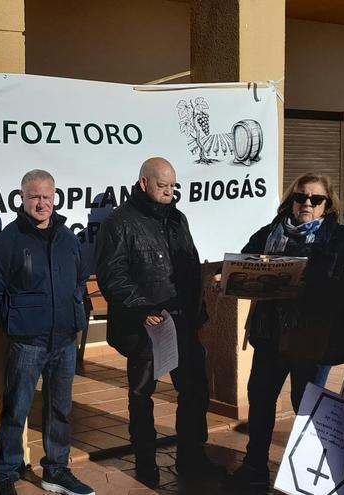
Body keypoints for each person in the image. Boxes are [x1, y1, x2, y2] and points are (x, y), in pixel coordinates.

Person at [95, 157, 220, 488]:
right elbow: (112, 275)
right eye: (162, 186)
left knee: (194, 389)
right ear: (144, 184)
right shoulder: (119, 222)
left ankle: (192, 456)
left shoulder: (178, 218)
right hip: (145, 323)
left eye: (172, 186)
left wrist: (200, 305)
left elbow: (190, 265)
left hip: (182, 319)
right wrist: (141, 307)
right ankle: (145, 460)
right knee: (142, 393)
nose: (169, 192)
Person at [222, 172, 344, 490]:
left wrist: (305, 286)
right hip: (269, 334)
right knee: (261, 401)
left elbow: (340, 285)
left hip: (309, 338)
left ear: (327, 205)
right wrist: (230, 276)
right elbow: (246, 259)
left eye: (315, 199)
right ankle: (254, 468)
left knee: (306, 406)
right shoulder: (272, 231)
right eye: (300, 197)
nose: (306, 203)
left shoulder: (336, 237)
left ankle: (308, 476)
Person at [0, 169, 94, 495]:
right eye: (34, 197)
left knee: (60, 408)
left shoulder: (68, 237)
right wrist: (13, 320)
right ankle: (6, 474)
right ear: (22, 198)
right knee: (17, 408)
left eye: (46, 197)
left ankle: (56, 470)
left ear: (54, 198)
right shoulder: (10, 240)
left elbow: (80, 279)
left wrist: (75, 312)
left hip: (65, 340)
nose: (41, 204)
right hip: (27, 342)